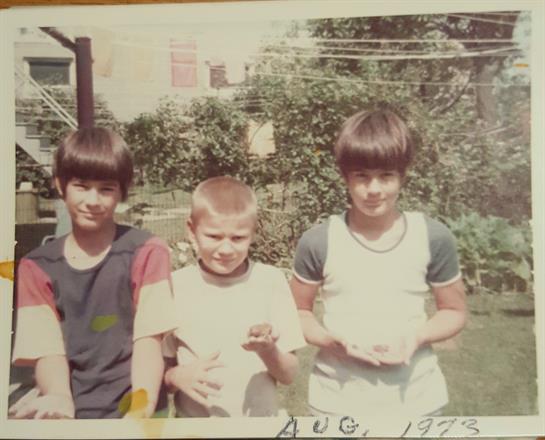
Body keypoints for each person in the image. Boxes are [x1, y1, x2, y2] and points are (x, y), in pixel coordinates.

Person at [290, 109, 467, 417]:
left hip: (417, 401)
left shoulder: (432, 237)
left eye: (386, 175)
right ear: (345, 176)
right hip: (335, 403)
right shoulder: (319, 240)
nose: (373, 189)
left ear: (402, 176)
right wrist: (330, 341)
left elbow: (454, 311)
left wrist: (417, 337)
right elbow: (297, 312)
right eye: (361, 175)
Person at [10, 127, 176, 419]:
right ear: (60, 185)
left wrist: (141, 410)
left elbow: (149, 341)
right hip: (73, 414)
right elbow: (47, 349)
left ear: (122, 190)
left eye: (106, 189)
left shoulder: (148, 252)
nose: (93, 200)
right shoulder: (36, 266)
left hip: (142, 410)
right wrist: (59, 398)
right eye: (81, 186)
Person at [163, 176, 306, 417]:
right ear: (191, 230)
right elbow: (157, 372)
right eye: (214, 237)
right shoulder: (175, 287)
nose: (226, 249)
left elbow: (289, 375)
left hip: (259, 428)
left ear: (253, 233)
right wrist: (175, 376)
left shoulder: (270, 281)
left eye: (238, 238)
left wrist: (268, 350)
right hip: (196, 430)